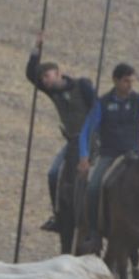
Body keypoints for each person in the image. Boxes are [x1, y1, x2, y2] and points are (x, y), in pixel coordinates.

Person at [77, 64, 139, 250]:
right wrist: (84, 156)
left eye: (132, 81)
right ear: (116, 80)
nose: (130, 85)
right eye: (126, 81)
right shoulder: (102, 103)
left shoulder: (138, 100)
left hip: (133, 154)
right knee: (94, 187)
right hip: (109, 154)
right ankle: (94, 232)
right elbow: (86, 131)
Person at [26, 39, 98, 232]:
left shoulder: (81, 85)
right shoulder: (52, 91)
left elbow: (97, 109)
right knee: (53, 174)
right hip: (72, 141)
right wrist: (36, 49)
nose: (45, 81)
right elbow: (30, 74)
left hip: (92, 139)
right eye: (43, 79)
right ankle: (59, 216)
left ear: (58, 73)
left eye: (47, 76)